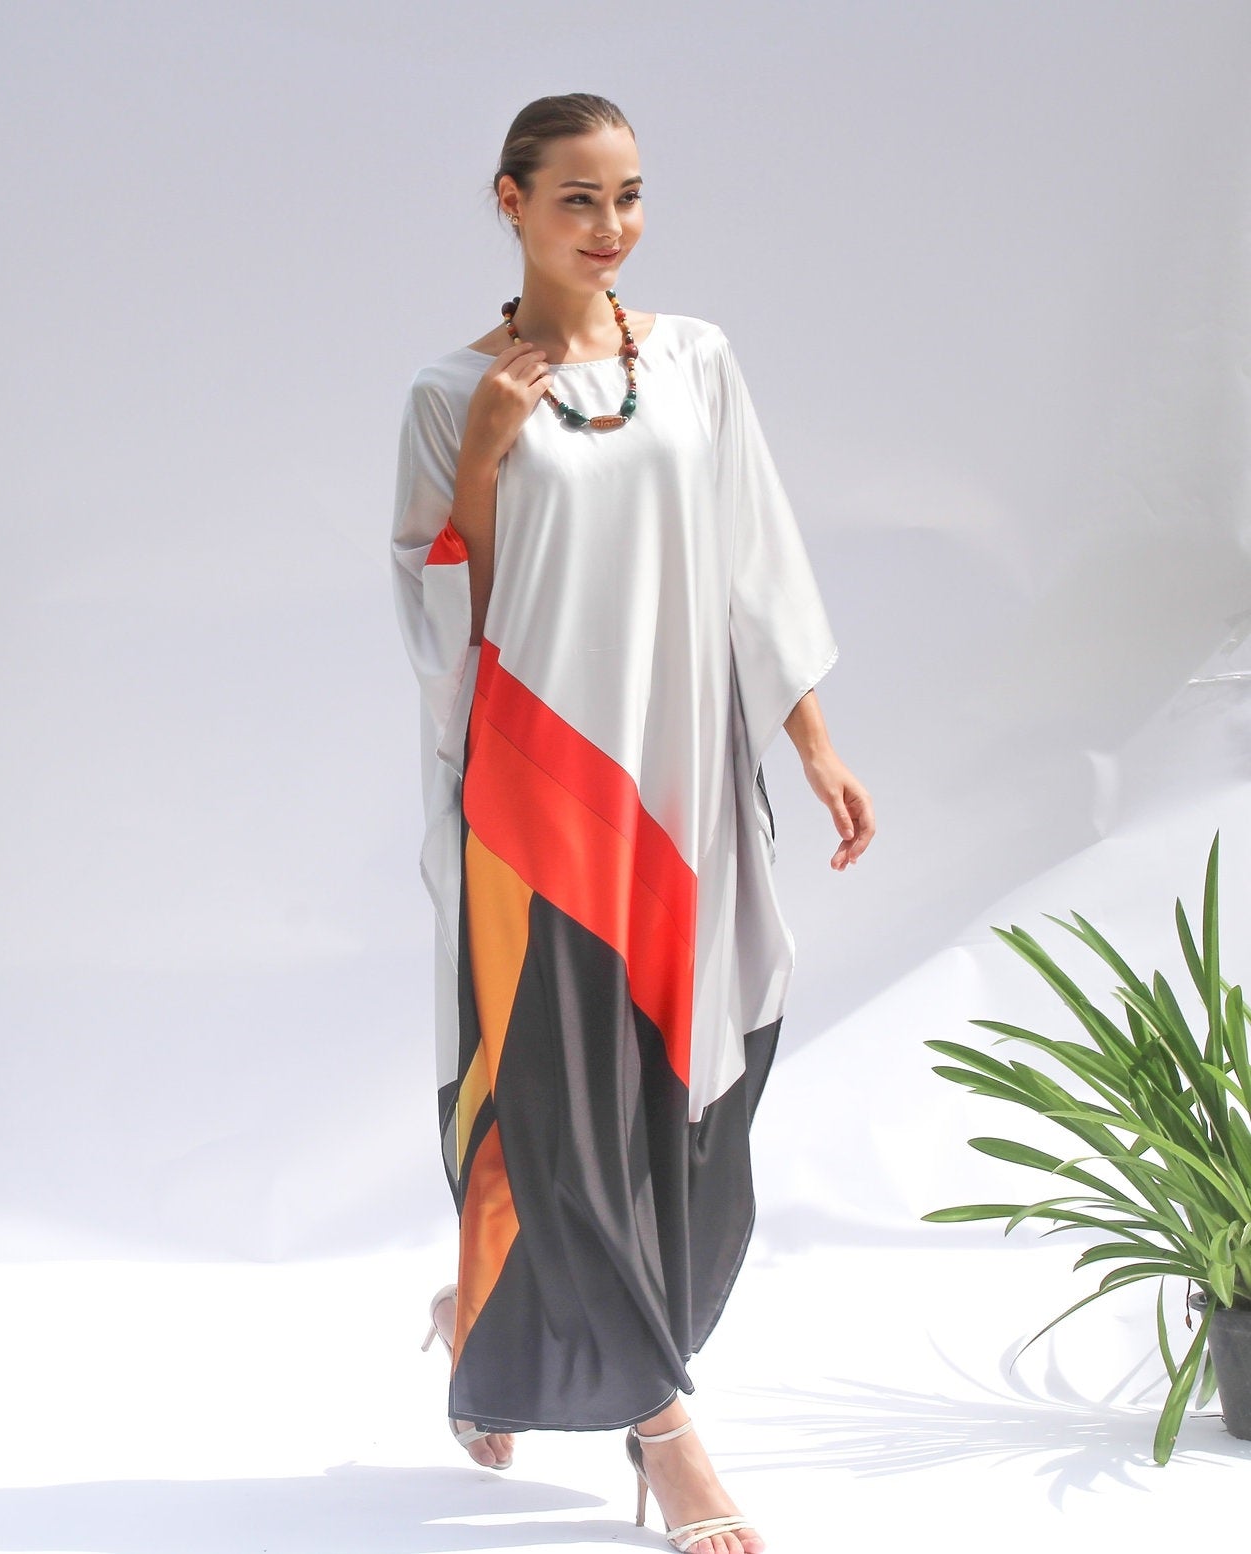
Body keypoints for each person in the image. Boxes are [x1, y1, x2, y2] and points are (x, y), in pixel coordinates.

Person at [391, 93, 874, 1554]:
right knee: (558, 1098)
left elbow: (753, 562)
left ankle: (493, 1301)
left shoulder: (698, 360)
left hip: (676, 789)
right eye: (579, 199)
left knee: (679, 1100)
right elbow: (449, 618)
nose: (612, 228)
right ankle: (666, 1435)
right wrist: (484, 455)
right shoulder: (450, 392)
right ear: (511, 203)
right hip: (536, 800)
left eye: (631, 196)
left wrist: (813, 742)